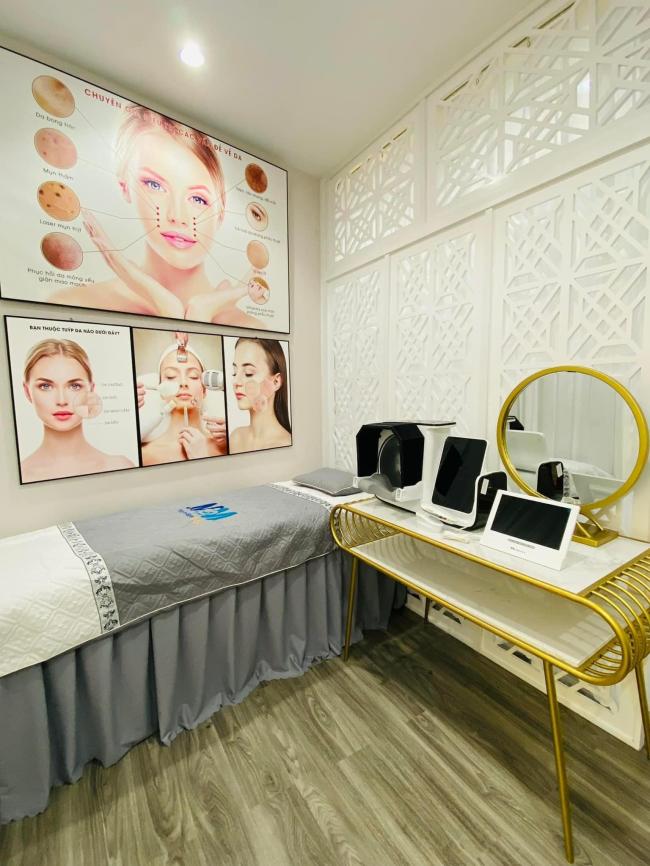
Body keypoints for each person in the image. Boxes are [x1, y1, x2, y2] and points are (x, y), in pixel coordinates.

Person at [52, 105, 262, 328]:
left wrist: (199, 310)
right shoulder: (73, 303)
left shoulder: (251, 327)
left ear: (221, 211)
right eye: (155, 185)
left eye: (198, 199)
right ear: (125, 186)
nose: (177, 216)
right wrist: (167, 303)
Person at [20, 338, 134, 482]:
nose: (62, 400)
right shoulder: (17, 475)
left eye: (74, 386)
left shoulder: (119, 466)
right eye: (45, 386)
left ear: (91, 390)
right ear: (27, 392)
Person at [139, 334, 227, 465]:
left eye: (193, 376)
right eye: (171, 376)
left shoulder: (227, 447)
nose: (183, 383)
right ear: (161, 391)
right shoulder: (145, 455)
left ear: (204, 390)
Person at [229, 338, 291, 453]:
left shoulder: (283, 445)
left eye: (248, 373)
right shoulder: (236, 438)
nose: (235, 381)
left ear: (276, 382)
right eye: (235, 372)